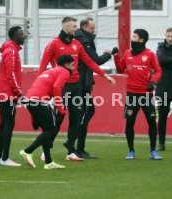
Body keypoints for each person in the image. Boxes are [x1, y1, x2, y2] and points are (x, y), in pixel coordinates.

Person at [38, 16, 116, 161]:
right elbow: (42, 67)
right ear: (65, 27)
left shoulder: (76, 44)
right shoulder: (53, 44)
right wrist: (43, 87)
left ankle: (71, 152)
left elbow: (90, 62)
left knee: (76, 118)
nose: (76, 29)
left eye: (76, 26)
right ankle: (46, 149)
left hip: (76, 87)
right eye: (74, 27)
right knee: (58, 119)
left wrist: (106, 76)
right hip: (62, 87)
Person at [113, 29, 163, 160]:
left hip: (147, 95)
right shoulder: (128, 53)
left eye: (134, 37)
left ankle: (153, 151)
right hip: (131, 94)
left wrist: (153, 81)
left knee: (152, 122)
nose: (132, 38)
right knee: (130, 123)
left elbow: (158, 71)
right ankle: (131, 151)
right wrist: (116, 56)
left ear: (141, 40)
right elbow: (120, 69)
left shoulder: (150, 54)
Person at [19, 54, 75, 169]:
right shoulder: (64, 72)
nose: (74, 68)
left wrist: (33, 118)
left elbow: (38, 88)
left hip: (30, 99)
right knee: (51, 129)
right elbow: (56, 88)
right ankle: (27, 151)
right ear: (66, 65)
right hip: (40, 101)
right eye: (72, 65)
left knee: (46, 130)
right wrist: (60, 109)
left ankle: (48, 162)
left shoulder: (49, 71)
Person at [74, 17, 113, 159]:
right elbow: (95, 61)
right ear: (84, 27)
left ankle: (74, 145)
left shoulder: (81, 39)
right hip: (81, 84)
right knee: (85, 113)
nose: (93, 30)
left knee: (83, 113)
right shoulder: (84, 41)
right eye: (91, 28)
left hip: (81, 83)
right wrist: (109, 54)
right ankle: (76, 146)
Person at [0, 26, 26, 166]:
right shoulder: (11, 51)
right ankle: (5, 158)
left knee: (4, 124)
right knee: (8, 124)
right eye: (21, 34)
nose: (23, 36)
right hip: (9, 93)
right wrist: (19, 92)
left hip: (5, 92)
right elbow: (11, 74)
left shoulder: (9, 50)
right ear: (14, 37)